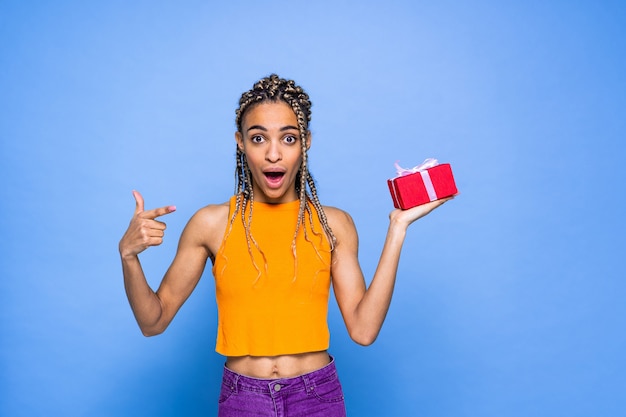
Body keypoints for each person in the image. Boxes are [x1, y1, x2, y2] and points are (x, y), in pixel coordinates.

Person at [119, 74, 452, 417]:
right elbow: (152, 322)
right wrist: (129, 257)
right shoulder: (211, 224)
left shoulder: (333, 224)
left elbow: (364, 331)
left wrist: (397, 228)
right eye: (258, 138)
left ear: (305, 142)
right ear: (240, 142)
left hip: (316, 395)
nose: (273, 154)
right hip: (242, 398)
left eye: (288, 138)